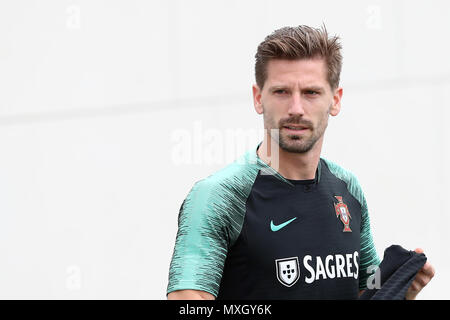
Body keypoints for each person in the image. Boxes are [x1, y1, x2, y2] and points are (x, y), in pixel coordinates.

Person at [166, 25, 434, 300]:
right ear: (259, 98)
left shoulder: (348, 187)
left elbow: (368, 290)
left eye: (311, 92)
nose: (296, 108)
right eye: (281, 91)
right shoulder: (218, 196)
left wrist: (402, 290)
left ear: (335, 100)